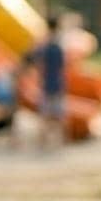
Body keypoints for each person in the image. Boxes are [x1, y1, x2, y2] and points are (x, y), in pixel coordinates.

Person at [28, 15, 66, 148]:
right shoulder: (59, 44)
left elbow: (36, 59)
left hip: (47, 83)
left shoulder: (44, 44)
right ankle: (59, 140)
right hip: (57, 82)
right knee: (58, 114)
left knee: (45, 114)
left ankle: (43, 141)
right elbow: (62, 65)